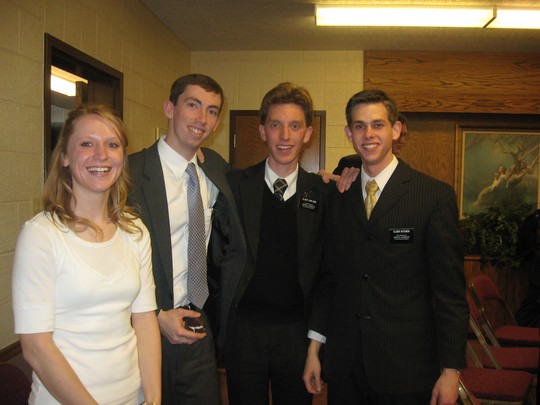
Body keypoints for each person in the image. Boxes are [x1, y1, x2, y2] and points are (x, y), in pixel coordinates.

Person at [303, 89, 468, 405]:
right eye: (360, 126)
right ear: (349, 133)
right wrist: (314, 348)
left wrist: (451, 370)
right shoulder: (338, 197)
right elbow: (328, 282)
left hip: (407, 368)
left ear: (396, 130)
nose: (368, 134)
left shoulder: (432, 197)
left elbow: (450, 294)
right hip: (346, 367)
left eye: (378, 125)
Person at [12, 105, 161, 405]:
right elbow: (36, 348)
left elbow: (145, 321)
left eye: (112, 144)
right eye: (87, 144)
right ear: (65, 157)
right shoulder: (42, 235)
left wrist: (154, 399)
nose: (101, 155)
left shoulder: (135, 232)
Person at [128, 73, 245, 405]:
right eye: (193, 105)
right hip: (143, 328)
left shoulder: (216, 169)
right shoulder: (129, 175)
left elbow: (259, 185)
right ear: (170, 108)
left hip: (197, 324)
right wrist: (154, 315)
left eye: (212, 111)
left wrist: (326, 179)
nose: (202, 118)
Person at [222, 82, 330, 405]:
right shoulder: (234, 186)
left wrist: (315, 346)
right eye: (275, 125)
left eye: (294, 126)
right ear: (262, 131)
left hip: (297, 334)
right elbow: (218, 259)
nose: (285, 136)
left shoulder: (322, 193)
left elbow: (326, 276)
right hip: (245, 332)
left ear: (307, 134)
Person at [332, 112, 408, 175]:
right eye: (360, 127)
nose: (402, 141)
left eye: (404, 135)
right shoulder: (349, 164)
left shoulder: (405, 173)